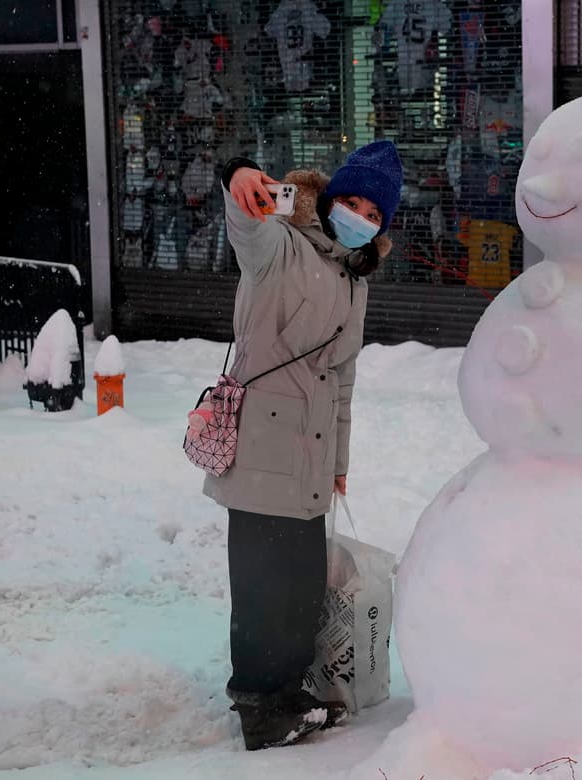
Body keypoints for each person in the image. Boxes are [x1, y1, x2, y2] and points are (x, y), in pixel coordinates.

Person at [204, 139, 404, 750]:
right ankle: (258, 705)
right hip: (263, 441)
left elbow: (343, 381)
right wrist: (236, 172)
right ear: (329, 199)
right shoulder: (280, 247)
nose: (360, 218)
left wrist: (338, 462)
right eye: (352, 202)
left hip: (312, 449)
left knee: (300, 585)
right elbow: (246, 224)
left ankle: (289, 692)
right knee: (263, 584)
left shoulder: (354, 280)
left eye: (374, 214)